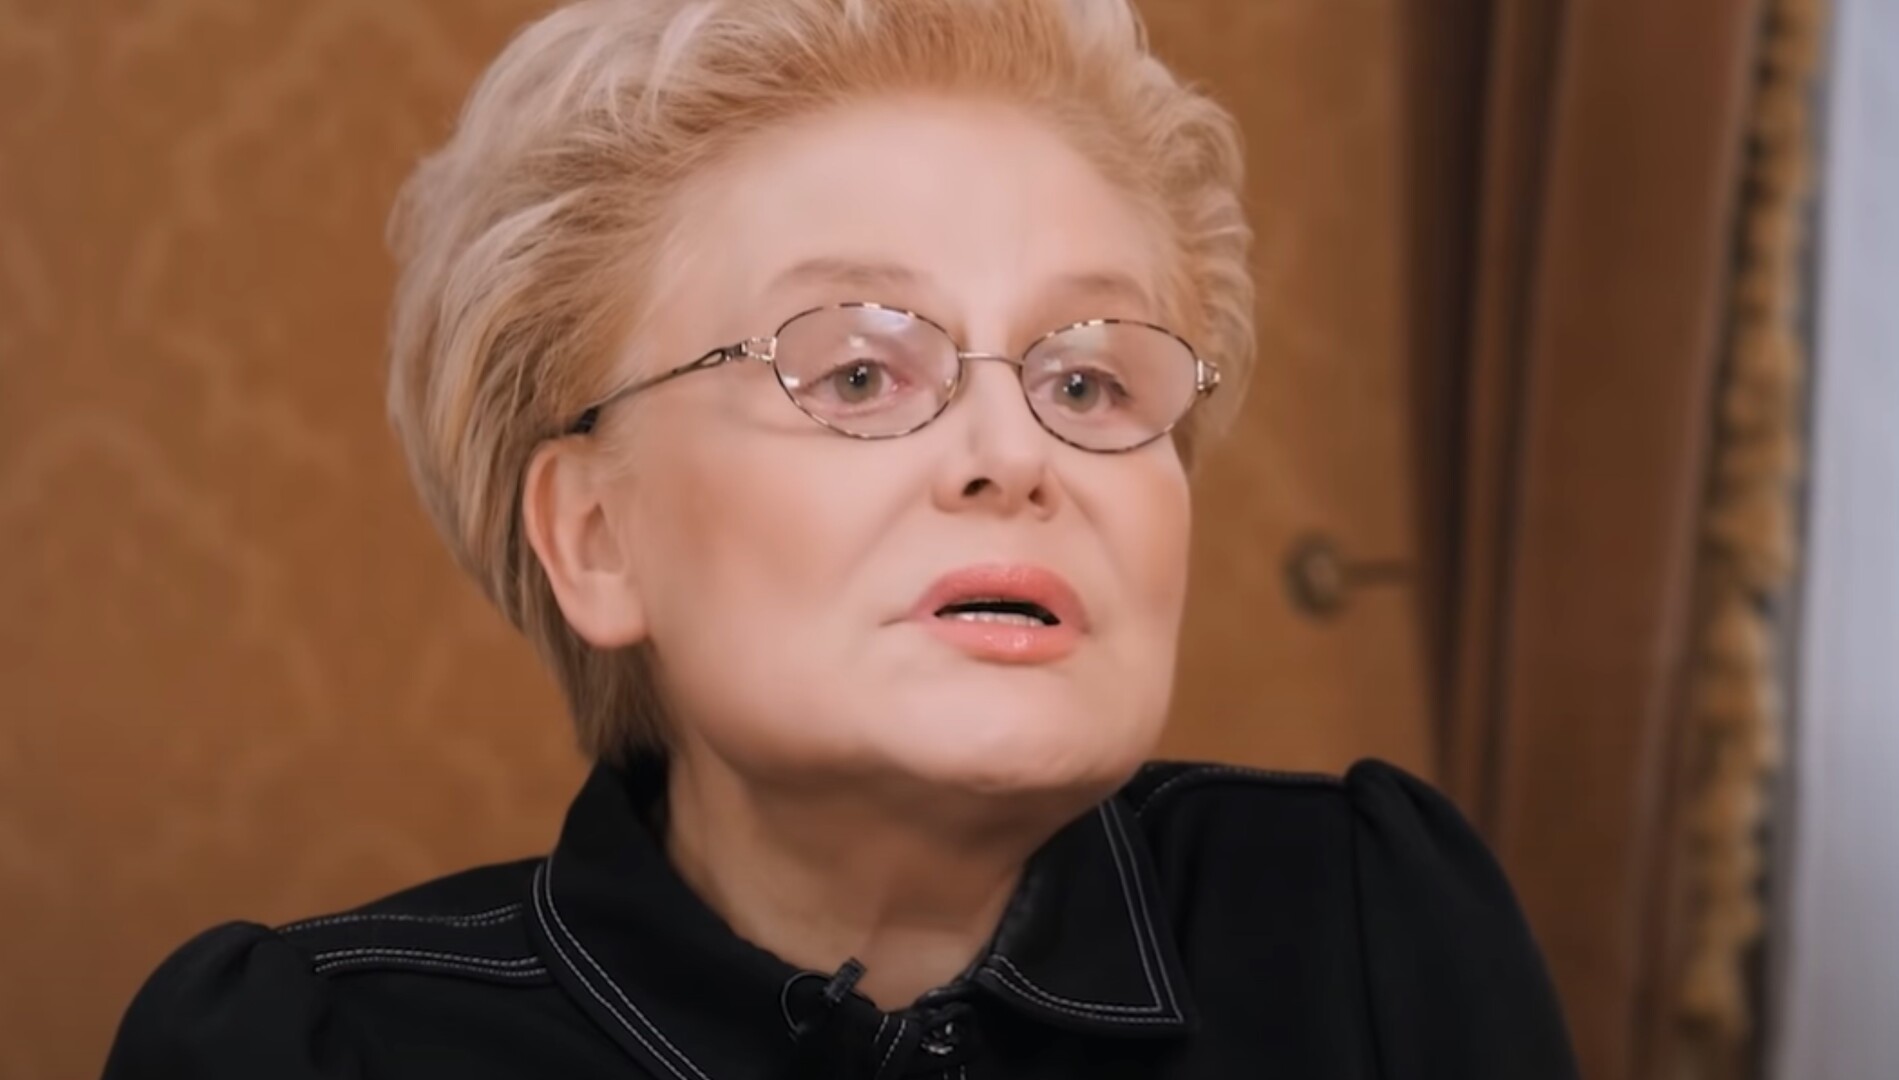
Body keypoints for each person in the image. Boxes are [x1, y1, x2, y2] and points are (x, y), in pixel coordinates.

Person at [102, 0, 1579, 1077]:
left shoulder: (1365, 936)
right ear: (596, 536)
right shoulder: (318, 1048)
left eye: (1086, 383)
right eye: (861, 373)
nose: (1013, 457)